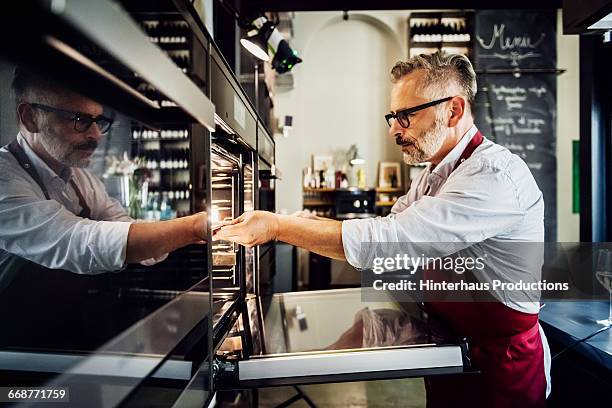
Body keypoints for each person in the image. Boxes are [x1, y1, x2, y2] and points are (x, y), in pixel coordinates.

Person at [216, 51, 550, 407]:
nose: (394, 128)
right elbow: (386, 226)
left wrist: (280, 227)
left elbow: (392, 243)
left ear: (453, 110)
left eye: (406, 115)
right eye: (393, 116)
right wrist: (304, 222)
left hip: (500, 369)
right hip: (451, 353)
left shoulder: (493, 177)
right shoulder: (434, 175)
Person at [0, 67, 208, 347]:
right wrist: (194, 226)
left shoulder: (80, 179)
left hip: (67, 336)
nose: (97, 135)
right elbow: (78, 242)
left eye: (99, 120)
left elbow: (125, 228)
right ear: (30, 117)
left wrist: (193, 230)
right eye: (80, 120)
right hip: (13, 352)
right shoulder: (5, 180)